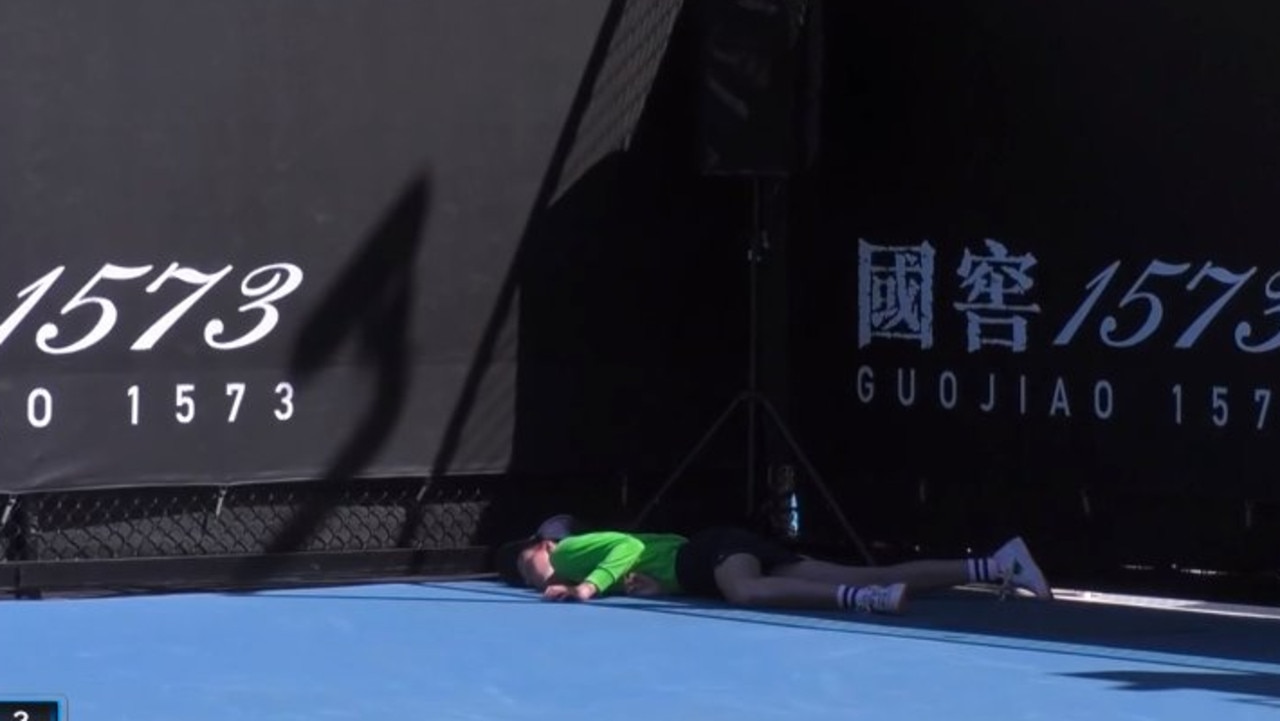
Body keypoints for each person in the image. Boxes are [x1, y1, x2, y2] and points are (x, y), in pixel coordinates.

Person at [494, 522, 1052, 615]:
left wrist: (588, 586)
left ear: (544, 545)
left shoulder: (569, 553)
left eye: (529, 564)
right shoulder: (567, 569)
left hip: (714, 552)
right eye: (526, 579)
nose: (535, 576)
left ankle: (867, 605)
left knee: (746, 594)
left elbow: (622, 545)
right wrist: (650, 588)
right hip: (708, 560)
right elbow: (645, 562)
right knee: (867, 571)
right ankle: (998, 563)